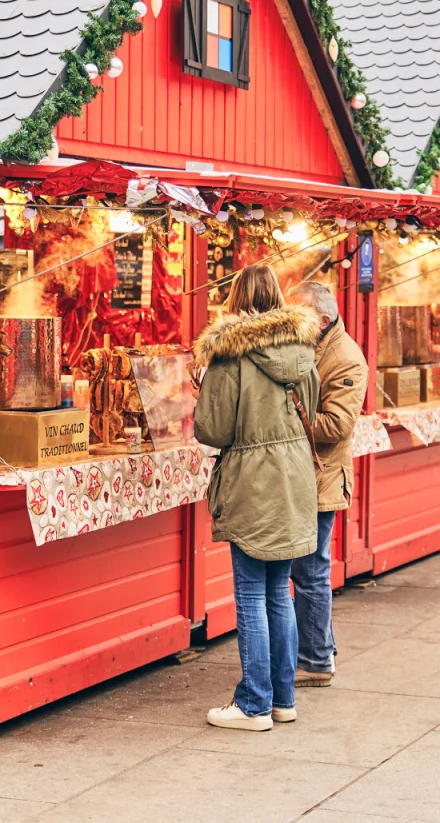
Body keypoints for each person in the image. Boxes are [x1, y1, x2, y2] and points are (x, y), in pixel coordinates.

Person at [194, 265, 320, 731]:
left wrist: (200, 391)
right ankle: (282, 699)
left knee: (249, 593)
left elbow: (213, 429)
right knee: (279, 593)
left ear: (236, 301)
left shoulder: (230, 356)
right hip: (294, 478)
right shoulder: (303, 349)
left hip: (251, 479)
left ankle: (253, 703)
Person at [291, 282, 368, 687]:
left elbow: (336, 426)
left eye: (299, 315)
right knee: (308, 570)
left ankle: (316, 662)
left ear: (322, 320)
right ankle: (321, 653)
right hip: (304, 475)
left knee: (310, 571)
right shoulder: (314, 343)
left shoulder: (346, 358)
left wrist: (286, 418)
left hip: (320, 479)